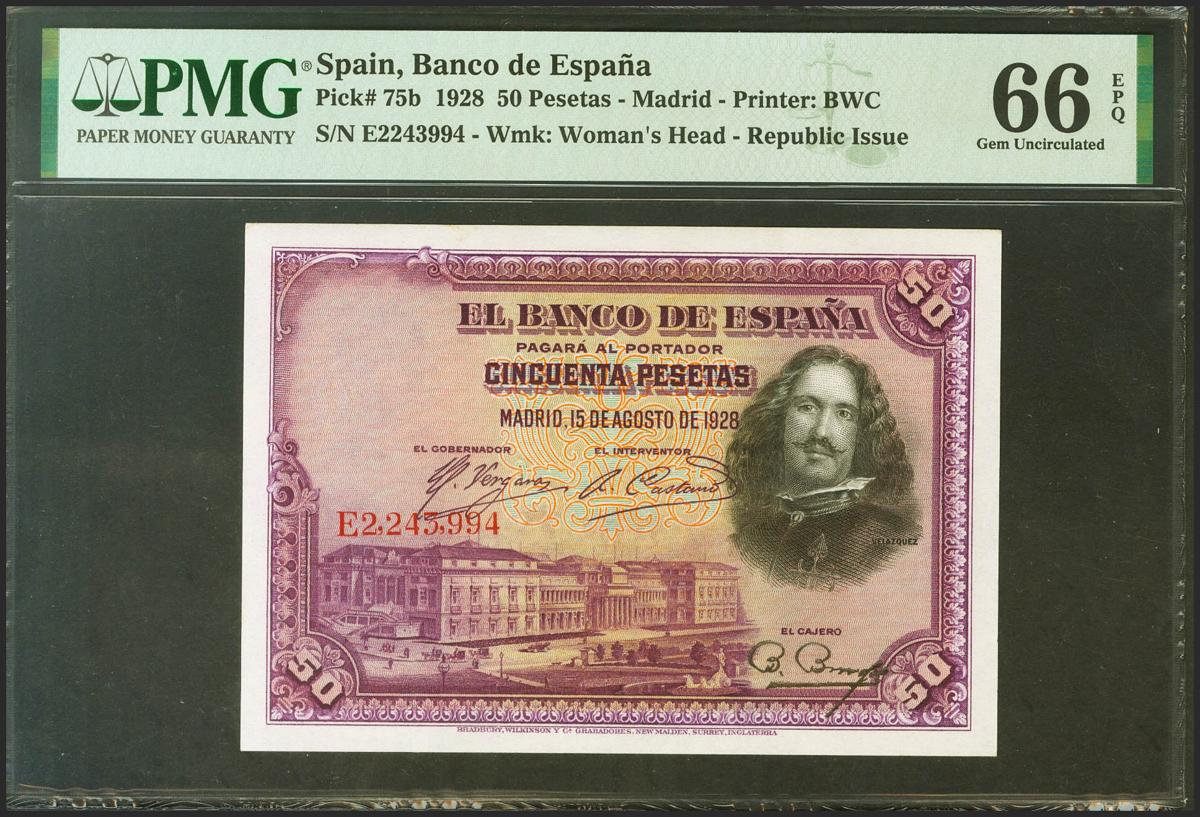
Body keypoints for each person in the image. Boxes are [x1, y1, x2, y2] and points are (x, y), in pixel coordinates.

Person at [726, 345, 920, 589]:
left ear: (860, 434)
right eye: (807, 407)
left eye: (844, 413)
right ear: (779, 420)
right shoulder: (745, 545)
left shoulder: (897, 543)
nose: (821, 432)